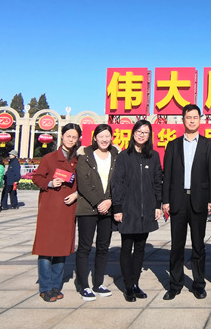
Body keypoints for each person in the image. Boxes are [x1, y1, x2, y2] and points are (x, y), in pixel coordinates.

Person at [162, 104, 211, 300]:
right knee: (177, 246)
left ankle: (199, 284)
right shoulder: (173, 145)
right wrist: (165, 200)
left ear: (200, 119)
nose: (192, 120)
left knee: (198, 245)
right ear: (183, 120)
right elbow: (167, 174)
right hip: (177, 200)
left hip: (199, 200)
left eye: (195, 117)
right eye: (188, 117)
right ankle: (175, 284)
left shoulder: (209, 145)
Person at [112, 120, 162, 302]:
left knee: (140, 248)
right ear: (133, 133)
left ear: (149, 136)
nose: (142, 135)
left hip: (146, 210)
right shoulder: (124, 157)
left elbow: (157, 182)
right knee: (127, 247)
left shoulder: (153, 156)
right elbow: (117, 183)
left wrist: (157, 205)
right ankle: (127, 286)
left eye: (145, 132)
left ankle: (135, 283)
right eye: (139, 131)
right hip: (127, 210)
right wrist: (117, 207)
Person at [32, 123, 82, 302]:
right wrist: (50, 183)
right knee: (45, 249)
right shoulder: (50, 158)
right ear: (62, 136)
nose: (71, 139)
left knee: (61, 249)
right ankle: (45, 287)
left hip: (68, 209)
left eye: (74, 137)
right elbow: (37, 177)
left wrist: (77, 194)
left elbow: (84, 182)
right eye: (68, 136)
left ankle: (56, 285)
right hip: (50, 208)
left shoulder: (78, 160)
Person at [75, 124, 120, 301]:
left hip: (108, 208)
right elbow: (83, 183)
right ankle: (83, 286)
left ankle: (98, 283)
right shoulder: (85, 156)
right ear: (95, 138)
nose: (104, 139)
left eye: (107, 136)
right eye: (101, 136)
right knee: (84, 247)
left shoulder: (116, 156)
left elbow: (119, 181)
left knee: (103, 247)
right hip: (88, 208)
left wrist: (109, 201)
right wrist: (99, 201)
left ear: (111, 138)